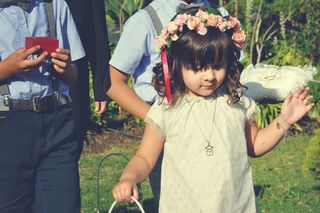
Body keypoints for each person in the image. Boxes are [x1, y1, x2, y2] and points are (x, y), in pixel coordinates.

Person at [111, 7, 314, 212]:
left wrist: (283, 122)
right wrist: (129, 178)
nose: (209, 76)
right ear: (177, 64)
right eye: (198, 68)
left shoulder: (236, 102)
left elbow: (255, 145)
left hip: (234, 206)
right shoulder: (166, 108)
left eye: (217, 65)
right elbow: (144, 158)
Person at [107, 0, 215, 210]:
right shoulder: (145, 20)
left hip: (210, 125)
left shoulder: (215, 12)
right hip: (167, 135)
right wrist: (158, 119)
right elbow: (113, 82)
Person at [0, 0, 85, 212]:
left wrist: (65, 68)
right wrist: (6, 69)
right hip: (8, 125)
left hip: (57, 121)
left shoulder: (55, 5)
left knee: (64, 204)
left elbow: (73, 75)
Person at [65, 0, 111, 159]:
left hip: (74, 77)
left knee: (71, 149)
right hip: (23, 82)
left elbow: (96, 30)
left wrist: (102, 85)